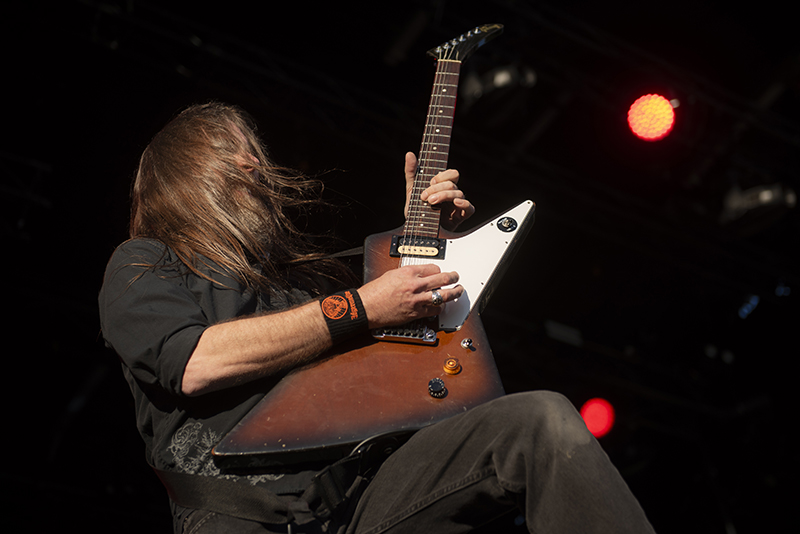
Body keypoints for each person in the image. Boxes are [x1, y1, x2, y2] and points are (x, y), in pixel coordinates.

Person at [99, 102, 656, 534]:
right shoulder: (144, 262)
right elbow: (193, 362)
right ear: (186, 175)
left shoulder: (304, 284)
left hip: (359, 498)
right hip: (240, 515)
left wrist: (430, 245)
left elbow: (416, 368)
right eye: (234, 153)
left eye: (255, 152)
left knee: (538, 421)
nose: (255, 164)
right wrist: (363, 306)